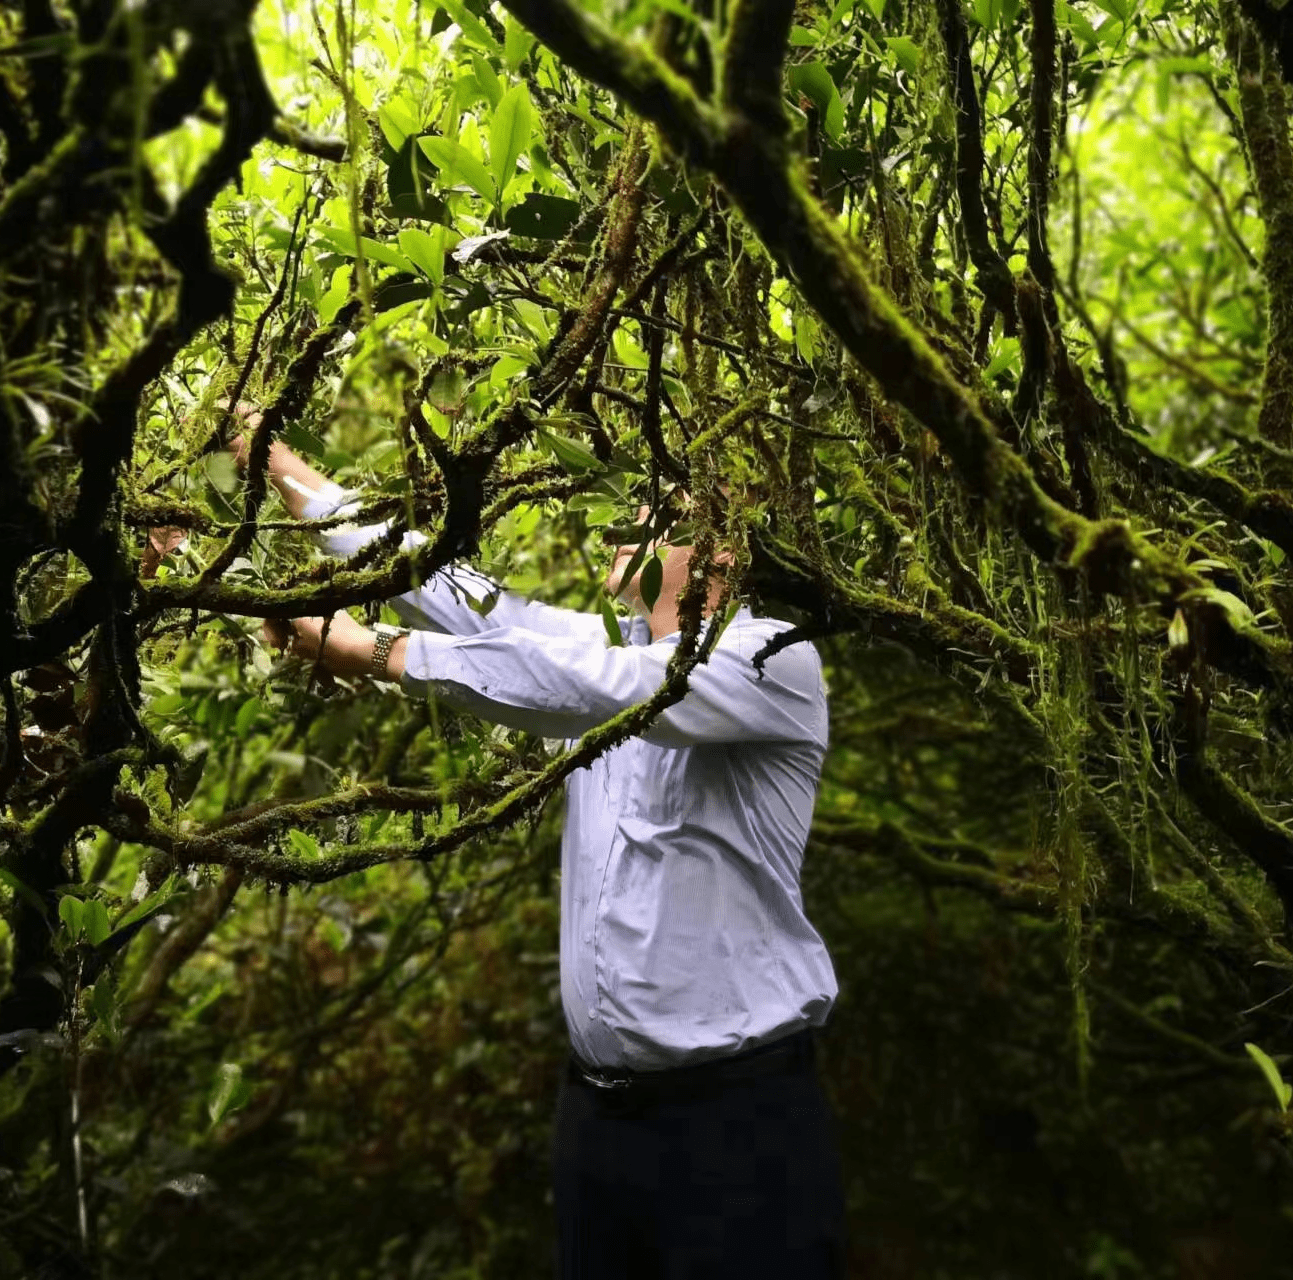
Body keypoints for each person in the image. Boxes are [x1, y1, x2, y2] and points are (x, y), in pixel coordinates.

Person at [226, 425, 847, 1278]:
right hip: (596, 1116)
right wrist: (274, 461)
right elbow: (469, 601)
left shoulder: (771, 659)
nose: (624, 522)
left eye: (655, 514)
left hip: (736, 1123)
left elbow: (596, 691)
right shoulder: (611, 645)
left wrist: (365, 649)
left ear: (722, 552)